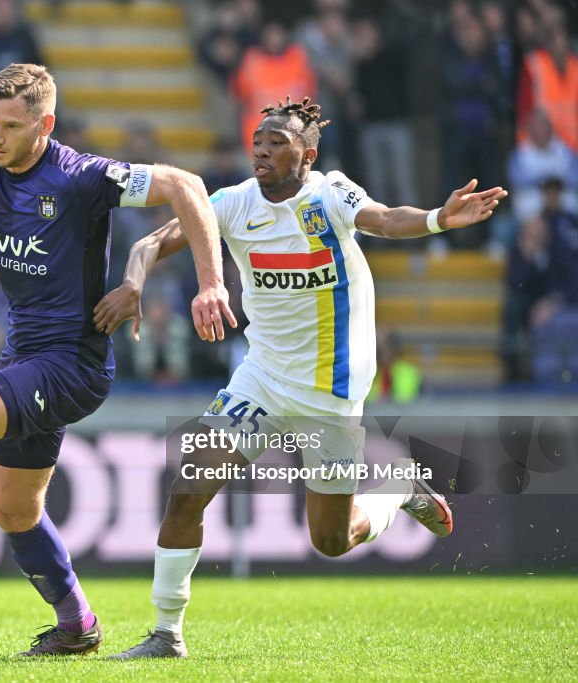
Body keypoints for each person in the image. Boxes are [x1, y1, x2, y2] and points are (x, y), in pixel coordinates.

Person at [94, 97, 507, 658]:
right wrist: (134, 282)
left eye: (277, 141)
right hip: (261, 379)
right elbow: (148, 242)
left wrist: (438, 218)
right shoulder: (234, 203)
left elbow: (383, 219)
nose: (261, 148)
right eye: (258, 139)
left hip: (330, 391)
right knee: (189, 486)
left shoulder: (330, 192)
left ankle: (397, 489)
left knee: (331, 541)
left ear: (307, 155)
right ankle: (167, 633)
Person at [0, 63, 235, 655]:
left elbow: (187, 185)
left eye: (11, 125)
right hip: (25, 358)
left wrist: (210, 282)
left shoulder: (81, 176)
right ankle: (77, 626)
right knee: (15, 511)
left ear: (46, 124)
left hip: (74, 363)